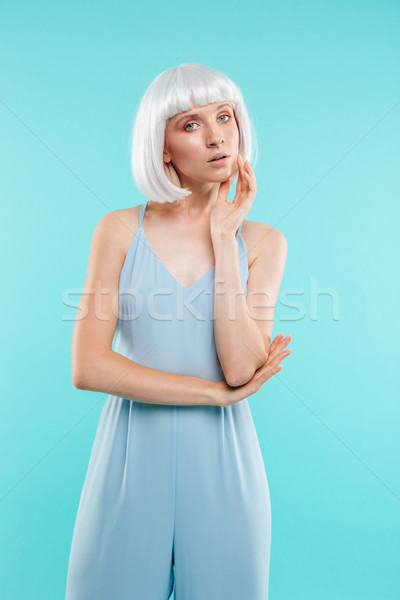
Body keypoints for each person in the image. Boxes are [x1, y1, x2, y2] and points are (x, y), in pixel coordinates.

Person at [65, 63, 292, 600]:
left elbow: (242, 366)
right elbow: (89, 367)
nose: (216, 136)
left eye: (224, 117)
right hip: (127, 461)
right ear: (162, 147)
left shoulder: (264, 242)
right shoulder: (118, 230)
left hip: (225, 467)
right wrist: (214, 395)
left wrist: (224, 238)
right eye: (189, 124)